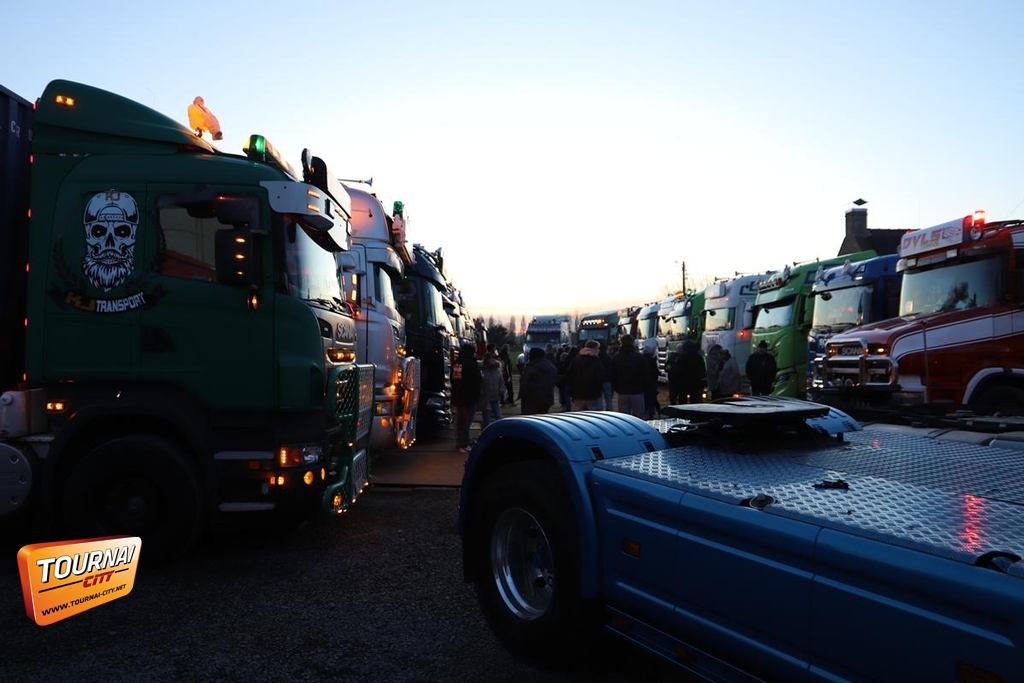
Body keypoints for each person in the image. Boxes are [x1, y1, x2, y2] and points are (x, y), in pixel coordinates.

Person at [451, 343, 482, 453]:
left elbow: (454, 379)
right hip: (470, 396)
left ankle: (459, 443)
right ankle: (464, 444)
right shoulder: (472, 364)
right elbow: (478, 380)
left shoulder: (457, 363)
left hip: (458, 395)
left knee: (460, 421)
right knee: (466, 422)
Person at [610, 334, 649, 418]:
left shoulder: (616, 358)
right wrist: (643, 387)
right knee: (639, 417)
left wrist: (617, 388)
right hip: (637, 391)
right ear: (632, 342)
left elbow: (612, 375)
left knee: (624, 418)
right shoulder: (639, 357)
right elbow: (646, 375)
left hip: (622, 391)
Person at [565, 340, 605, 411]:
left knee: (578, 413)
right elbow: (599, 378)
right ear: (594, 349)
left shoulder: (576, 359)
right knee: (592, 414)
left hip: (577, 392)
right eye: (597, 348)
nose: (598, 350)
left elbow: (568, 375)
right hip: (592, 393)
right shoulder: (596, 361)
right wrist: (598, 391)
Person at [519, 347, 559, 415]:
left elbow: (525, 383)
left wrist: (522, 394)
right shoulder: (550, 366)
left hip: (531, 399)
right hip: (547, 398)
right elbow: (555, 379)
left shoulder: (531, 367)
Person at [668, 339, 706, 404]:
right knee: (695, 403)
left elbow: (677, 370)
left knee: (683, 402)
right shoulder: (699, 358)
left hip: (683, 385)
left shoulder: (681, 357)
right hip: (696, 384)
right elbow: (703, 370)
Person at [479, 352, 505, 429]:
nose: (493, 360)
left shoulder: (497, 370)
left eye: (494, 358)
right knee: (486, 419)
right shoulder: (482, 371)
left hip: (496, 397)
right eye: (491, 358)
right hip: (486, 398)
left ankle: (499, 431)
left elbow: (501, 382)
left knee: (498, 416)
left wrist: (501, 390)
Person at [641, 338, 661, 418]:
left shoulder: (641, 359)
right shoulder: (653, 360)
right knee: (652, 399)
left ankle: (646, 412)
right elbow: (656, 372)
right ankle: (653, 412)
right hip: (652, 383)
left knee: (645, 399)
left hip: (644, 383)